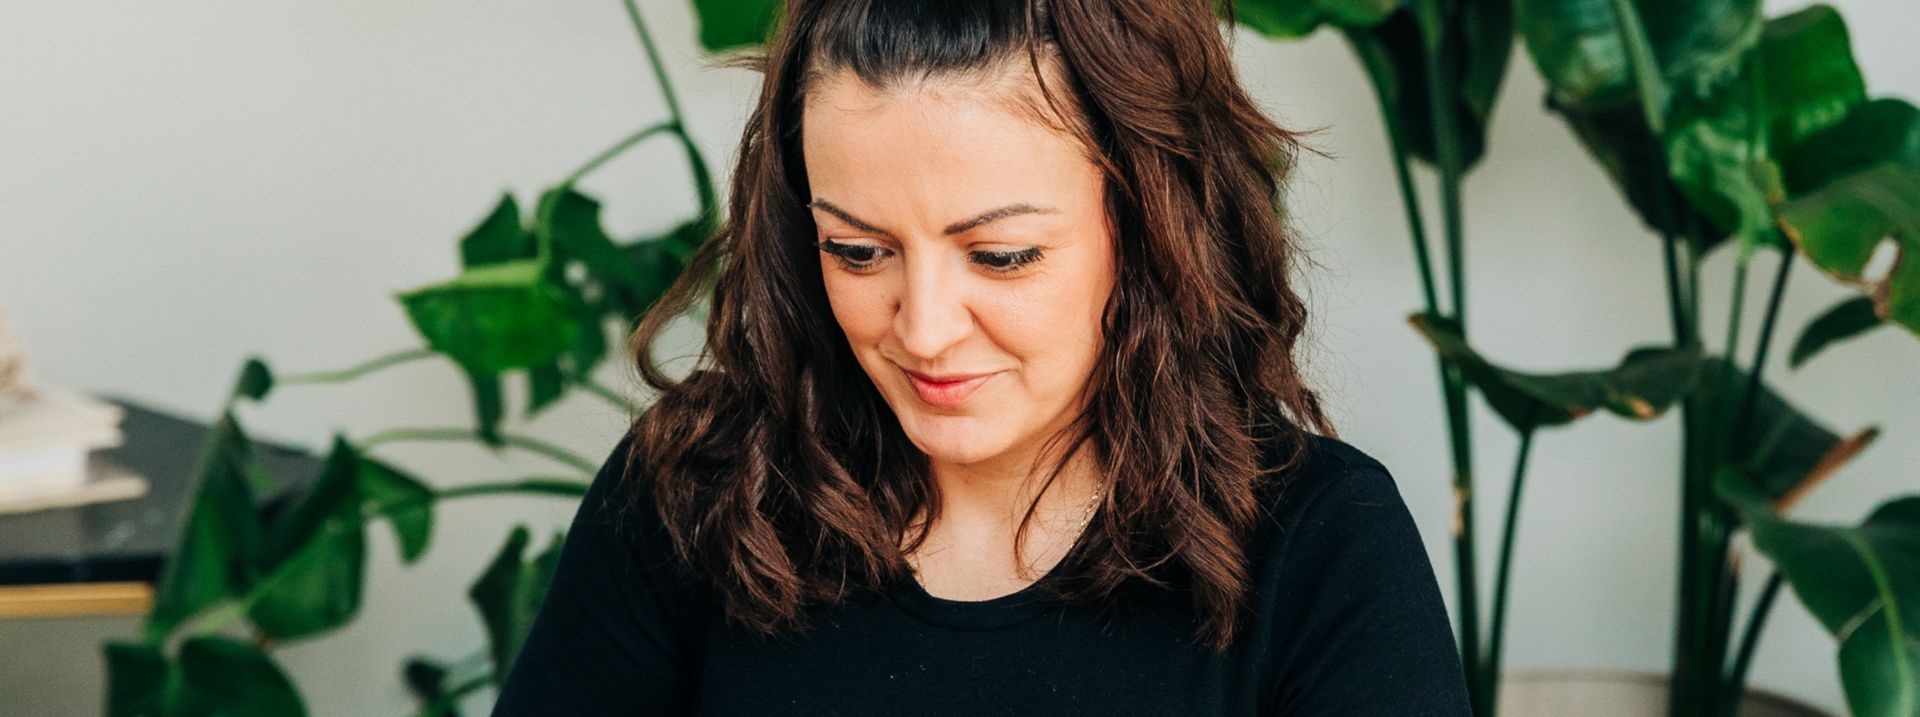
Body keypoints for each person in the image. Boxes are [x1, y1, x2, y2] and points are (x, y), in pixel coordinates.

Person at [492, 0, 1470, 714]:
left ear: (1147, 228)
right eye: (857, 250)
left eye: (1001, 256)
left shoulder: (1321, 546)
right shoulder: (691, 495)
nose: (921, 328)